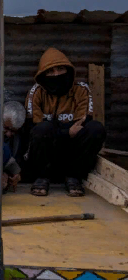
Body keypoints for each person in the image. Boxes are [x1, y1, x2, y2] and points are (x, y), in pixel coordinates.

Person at [25, 48, 106, 197]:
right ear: (43, 75)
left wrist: (57, 131)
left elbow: (82, 125)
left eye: (60, 69)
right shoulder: (36, 92)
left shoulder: (81, 90)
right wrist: (67, 132)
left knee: (96, 128)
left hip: (72, 153)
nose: (56, 75)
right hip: (46, 154)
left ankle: (74, 177)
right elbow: (35, 127)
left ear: (68, 70)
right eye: (50, 71)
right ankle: (42, 178)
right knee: (43, 130)